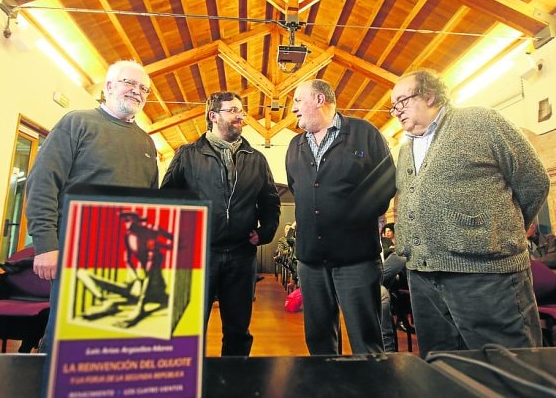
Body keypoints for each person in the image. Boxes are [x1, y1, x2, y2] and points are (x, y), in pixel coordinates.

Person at [391, 69, 550, 358]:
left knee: (510, 366)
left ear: (429, 95)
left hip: (484, 274)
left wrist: (498, 232)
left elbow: (534, 182)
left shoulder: (481, 121)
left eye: (402, 101)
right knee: (443, 367)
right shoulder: (406, 149)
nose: (396, 111)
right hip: (424, 277)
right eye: (393, 106)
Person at [160, 91, 280, 356]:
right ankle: (189, 386)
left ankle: (234, 386)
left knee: (238, 330)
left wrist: (265, 232)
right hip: (198, 256)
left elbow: (270, 202)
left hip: (241, 255)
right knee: (189, 329)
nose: (241, 116)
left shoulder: (256, 159)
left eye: (241, 111)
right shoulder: (187, 155)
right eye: (234, 110)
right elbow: (168, 199)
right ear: (213, 116)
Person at [286, 79, 396, 355]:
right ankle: (324, 394)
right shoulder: (295, 145)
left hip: (356, 259)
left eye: (298, 101)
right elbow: (296, 188)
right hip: (311, 262)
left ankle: (371, 394)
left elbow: (385, 185)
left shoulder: (364, 133)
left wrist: (351, 221)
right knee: (319, 338)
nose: (294, 109)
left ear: (320, 100)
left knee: (365, 338)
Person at [26, 60, 159, 283]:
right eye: (129, 83)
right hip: (75, 251)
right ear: (108, 87)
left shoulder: (146, 142)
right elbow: (42, 182)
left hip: (128, 258)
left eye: (144, 88)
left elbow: (150, 203)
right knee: (69, 318)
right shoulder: (76, 123)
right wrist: (46, 244)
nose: (137, 91)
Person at [76, 211, 174, 328]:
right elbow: (127, 260)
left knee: (152, 260)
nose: (128, 223)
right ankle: (106, 301)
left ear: (138, 220)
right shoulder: (128, 236)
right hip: (134, 285)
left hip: (152, 288)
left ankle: (140, 307)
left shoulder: (150, 232)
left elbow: (175, 240)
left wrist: (160, 244)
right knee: (82, 273)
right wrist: (136, 278)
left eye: (131, 219)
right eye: (126, 220)